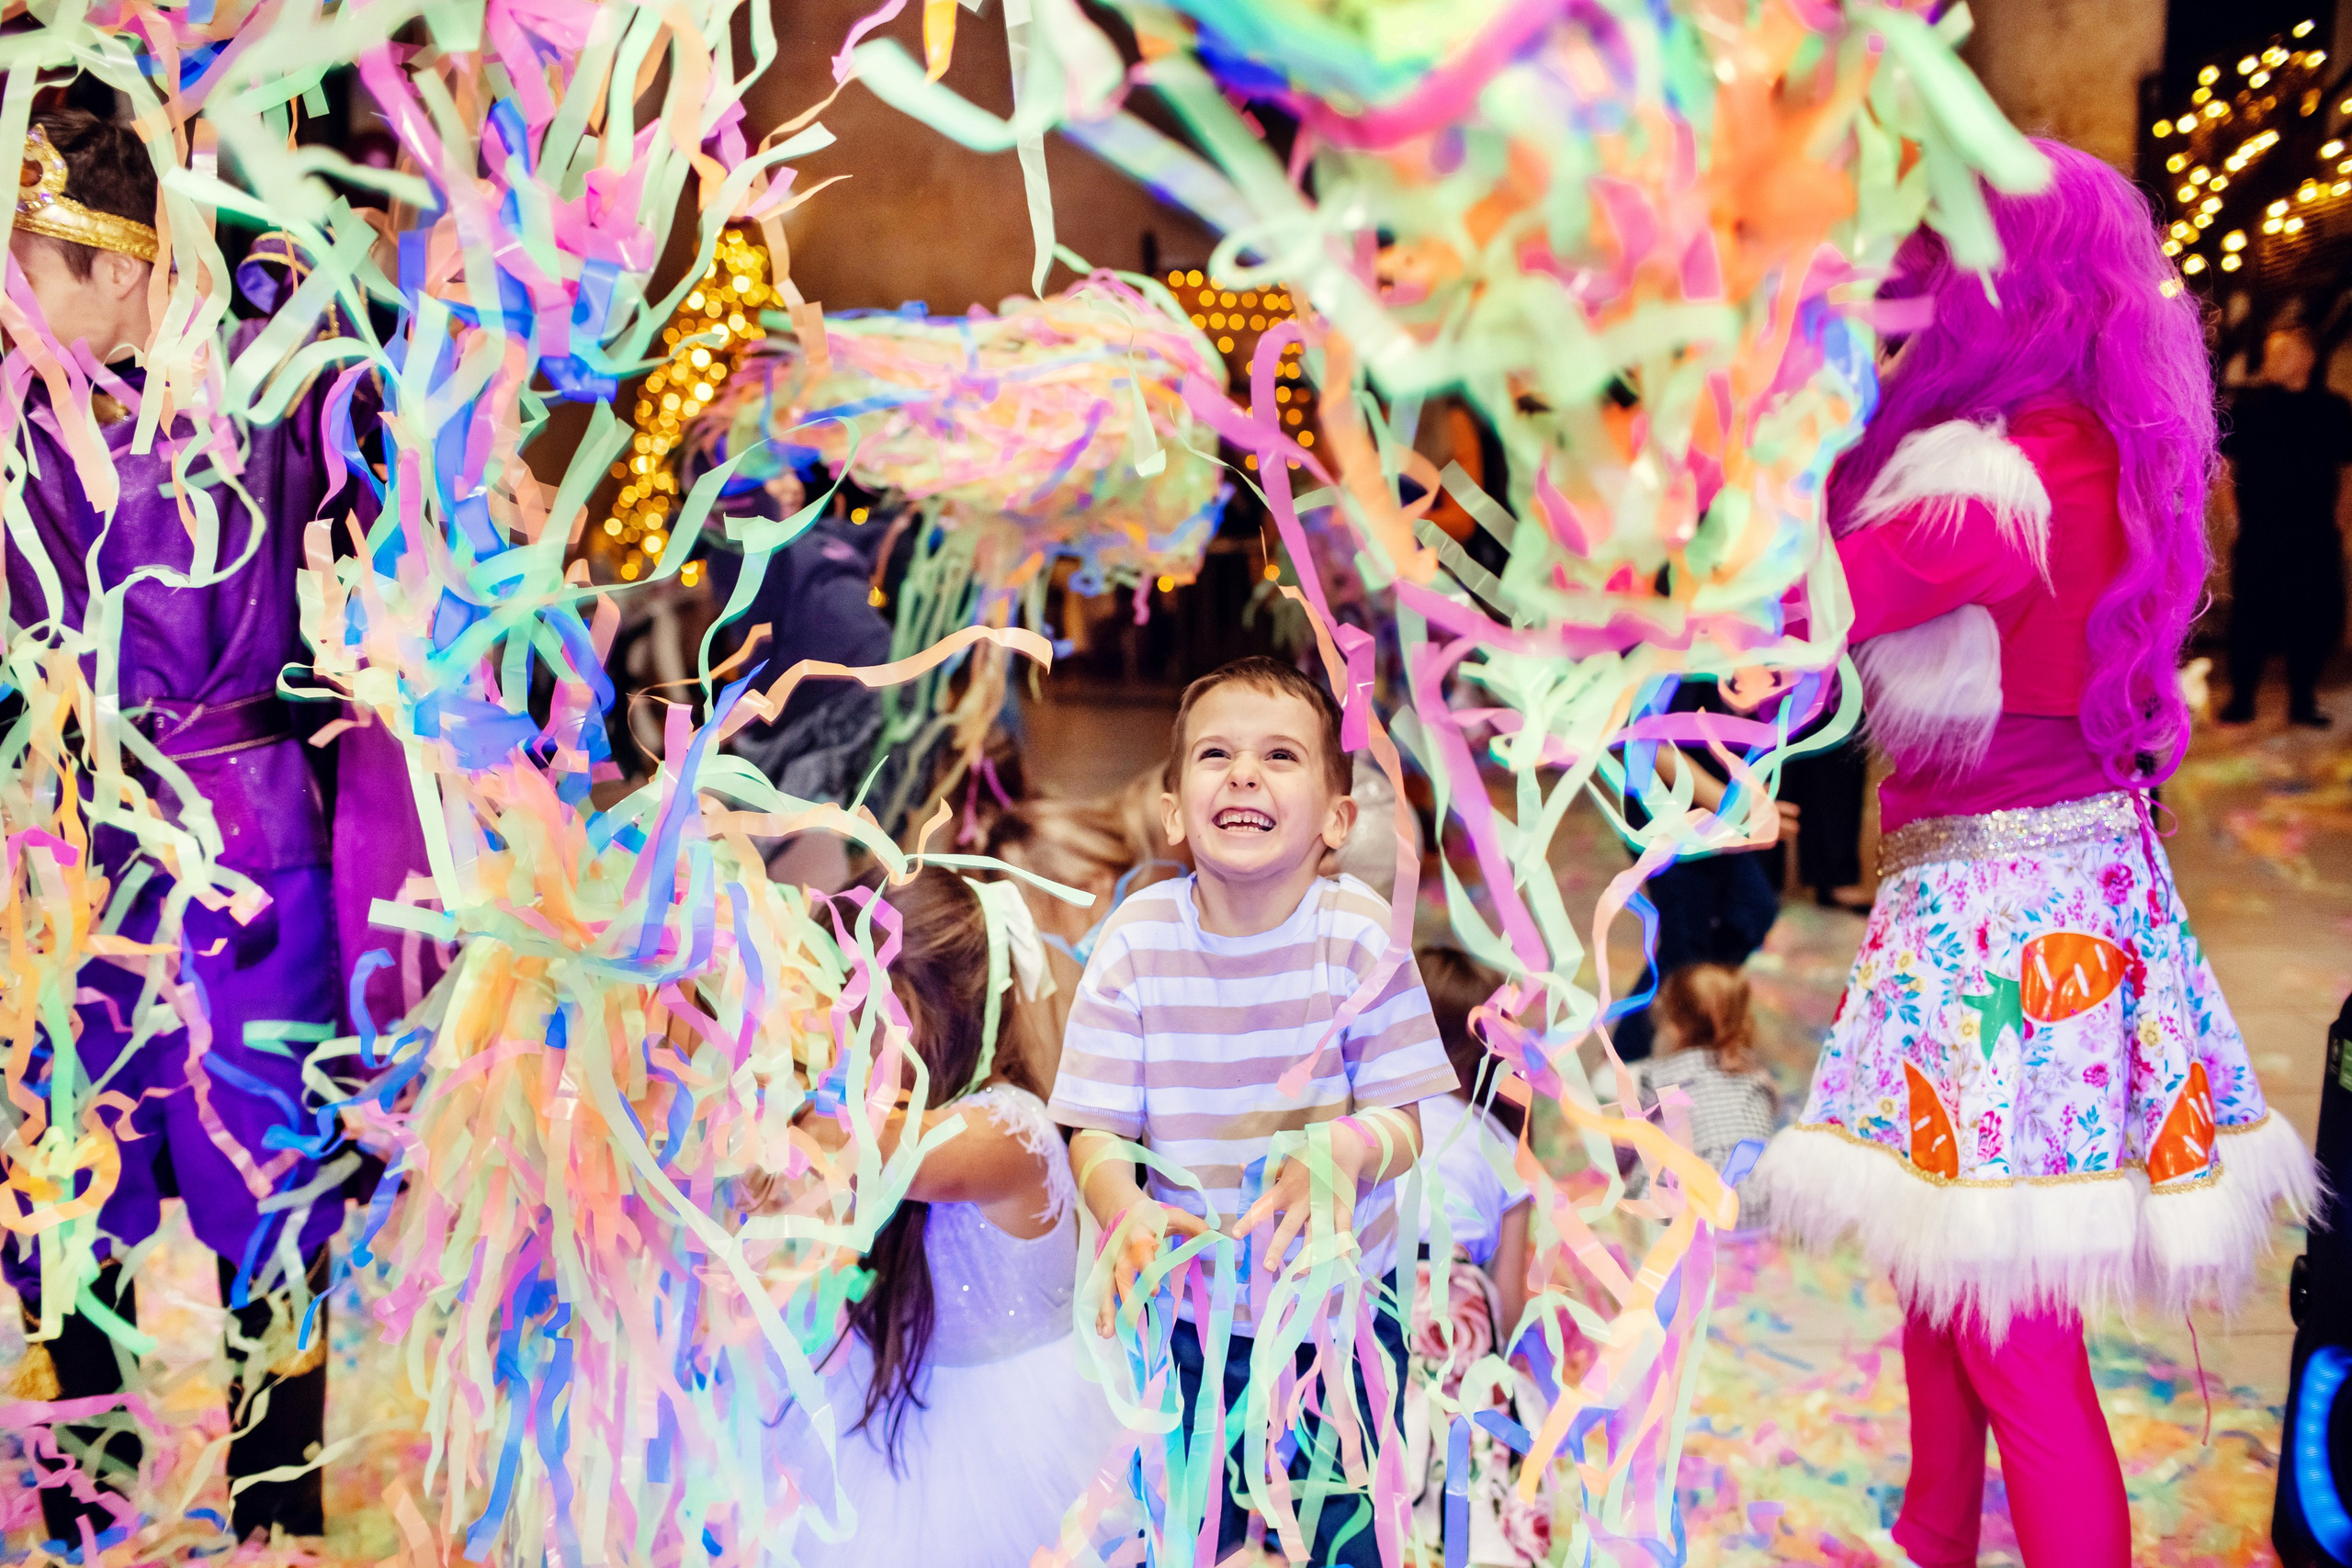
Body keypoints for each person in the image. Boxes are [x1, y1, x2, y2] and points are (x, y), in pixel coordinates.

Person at [1753, 141, 2318, 1568]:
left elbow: (1793, 607)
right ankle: (1930, 1534)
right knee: (1947, 1284)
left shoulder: (2000, 476)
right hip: (2019, 903)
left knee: (2007, 1327)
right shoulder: (2087, 450)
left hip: (2003, 931)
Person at [1, 108, 365, 1548]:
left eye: (37, 262)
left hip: (247, 853)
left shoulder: (273, 393)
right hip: (67, 858)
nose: (13, 295)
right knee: (66, 1201)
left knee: (275, 1202)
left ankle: (279, 1512)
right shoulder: (23, 415)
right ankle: (86, 1515)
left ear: (134, 264)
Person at [1050, 656, 1456, 1566]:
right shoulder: (1136, 942)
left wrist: (1345, 1150)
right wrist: (1121, 1205)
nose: (1243, 773)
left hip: (1338, 1326)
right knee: (1183, 1534)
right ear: (1171, 812)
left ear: (1337, 821)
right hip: (1184, 1320)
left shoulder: (1359, 938)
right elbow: (1097, 1129)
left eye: (1280, 756)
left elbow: (1405, 1117)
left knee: (1342, 1535)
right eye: (1215, 755)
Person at [767, 868, 1119, 1568]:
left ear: (939, 1013)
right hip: (899, 1415)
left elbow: (873, 1144)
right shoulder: (873, 1108)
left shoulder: (1012, 1133)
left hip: (1009, 1446)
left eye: (867, 1009)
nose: (841, 1030)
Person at [1402, 947, 1550, 1567]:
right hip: (1455, 1300)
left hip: (1367, 1286)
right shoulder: (1500, 1143)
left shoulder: (1368, 1121)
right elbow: (1510, 1300)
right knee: (1457, 1463)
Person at [2218, 324, 2352, 728]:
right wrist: (2229, 515)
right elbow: (2222, 464)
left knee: (2310, 613)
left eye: (2283, 353)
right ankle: (2242, 697)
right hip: (2259, 529)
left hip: (2314, 530)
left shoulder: (2333, 407)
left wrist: (2342, 516)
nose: (2273, 361)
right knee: (2250, 613)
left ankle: (2303, 698)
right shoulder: (2248, 406)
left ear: (2307, 358)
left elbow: (2347, 468)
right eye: (2271, 353)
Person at [1627, 964, 1777, 1229]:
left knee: (1651, 1153)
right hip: (1755, 1204)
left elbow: (1630, 1141)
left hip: (1692, 1202)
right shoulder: (1756, 1077)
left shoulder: (1663, 1075)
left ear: (1676, 1029)